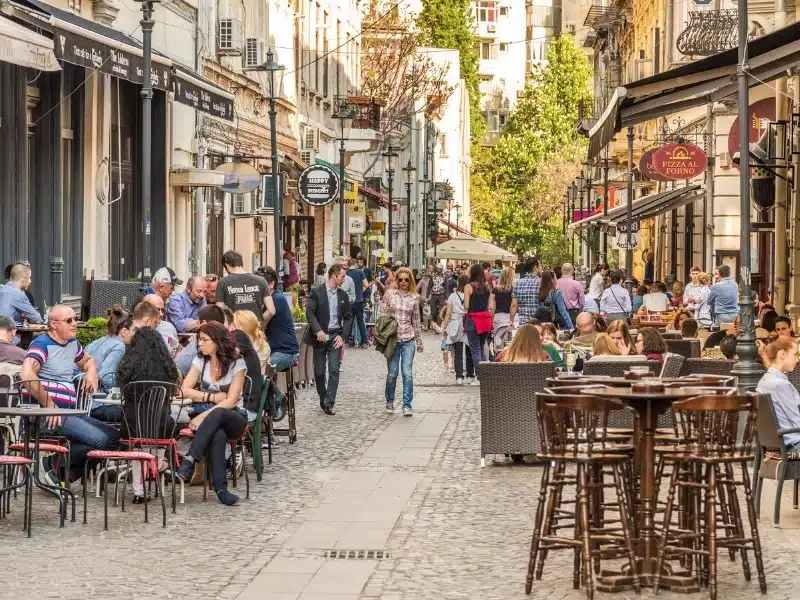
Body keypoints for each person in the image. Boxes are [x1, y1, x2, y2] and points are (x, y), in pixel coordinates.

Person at [21, 305, 119, 483]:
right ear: (54, 324)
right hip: (47, 416)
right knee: (99, 440)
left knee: (113, 438)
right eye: (69, 320)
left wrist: (91, 372)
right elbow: (27, 375)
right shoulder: (42, 344)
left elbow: (88, 361)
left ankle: (61, 471)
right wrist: (50, 405)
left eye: (75, 319)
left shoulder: (72, 344)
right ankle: (56, 466)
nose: (74, 324)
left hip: (70, 413)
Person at [173, 322, 249, 506]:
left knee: (219, 414)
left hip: (234, 417)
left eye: (204, 340)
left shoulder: (237, 362)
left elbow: (231, 400)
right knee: (217, 433)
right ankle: (221, 489)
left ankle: (191, 458)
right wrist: (210, 397)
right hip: (210, 421)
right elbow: (184, 389)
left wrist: (203, 415)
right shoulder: (201, 360)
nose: (200, 344)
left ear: (217, 341)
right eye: (200, 340)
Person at [116, 326, 181, 503]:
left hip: (131, 426)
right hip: (160, 424)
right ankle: (158, 463)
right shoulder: (167, 369)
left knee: (138, 447)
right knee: (157, 434)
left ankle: (139, 492)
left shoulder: (127, 367)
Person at [304, 264, 352, 415]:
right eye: (342, 276)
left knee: (334, 370)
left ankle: (329, 403)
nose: (344, 279)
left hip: (335, 336)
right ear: (334, 276)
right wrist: (318, 330)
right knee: (319, 372)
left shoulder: (343, 296)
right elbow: (310, 313)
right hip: (320, 337)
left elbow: (348, 317)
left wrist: (342, 336)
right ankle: (323, 397)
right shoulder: (316, 292)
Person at [381, 267, 423, 415]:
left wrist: (419, 341)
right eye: (400, 279)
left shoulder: (414, 297)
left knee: (407, 373)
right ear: (396, 280)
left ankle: (407, 405)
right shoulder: (390, 294)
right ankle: (390, 401)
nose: (403, 282)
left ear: (410, 280)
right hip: (393, 339)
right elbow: (382, 315)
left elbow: (416, 320)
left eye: (406, 279)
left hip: (408, 338)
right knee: (392, 373)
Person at [756, 337, 800, 452]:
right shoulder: (780, 384)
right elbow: (797, 421)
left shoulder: (764, 381)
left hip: (775, 444)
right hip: (794, 445)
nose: (797, 360)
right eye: (795, 354)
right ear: (782, 354)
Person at [85, 305, 134, 393]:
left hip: (82, 398)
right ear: (124, 331)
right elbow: (106, 377)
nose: (135, 334)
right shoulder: (119, 346)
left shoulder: (98, 341)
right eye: (133, 330)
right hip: (99, 400)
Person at [463, 264, 495, 385]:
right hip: (486, 319)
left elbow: (466, 306)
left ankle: (479, 377)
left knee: (475, 349)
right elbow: (491, 306)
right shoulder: (487, 287)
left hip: (473, 319)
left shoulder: (468, 287)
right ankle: (485, 376)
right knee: (481, 347)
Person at [217, 250, 269, 322]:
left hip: (234, 329)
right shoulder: (261, 281)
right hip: (256, 331)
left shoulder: (223, 282)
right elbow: (271, 310)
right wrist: (258, 323)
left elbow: (220, 309)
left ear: (227, 265)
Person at [176, 304, 227, 376]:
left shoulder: (196, 346)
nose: (197, 327)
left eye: (198, 323)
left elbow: (178, 369)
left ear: (203, 323)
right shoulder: (232, 344)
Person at [442, 274, 473, 385]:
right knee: (469, 351)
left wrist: (444, 327)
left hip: (456, 324)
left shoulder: (452, 296)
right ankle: (470, 375)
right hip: (468, 323)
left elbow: (448, 313)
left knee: (458, 352)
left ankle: (459, 376)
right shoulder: (470, 294)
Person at [234, 310, 270, 374]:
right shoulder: (238, 344)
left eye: (233, 325)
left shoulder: (262, 347)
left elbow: (248, 372)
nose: (231, 328)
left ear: (241, 328)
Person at [509, 257, 541, 327]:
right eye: (540, 266)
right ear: (535, 267)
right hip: (538, 323)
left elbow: (514, 305)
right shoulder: (541, 283)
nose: (541, 268)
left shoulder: (518, 283)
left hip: (523, 323)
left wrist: (511, 321)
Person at [345, 257, 369, 348]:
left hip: (349, 301)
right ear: (355, 264)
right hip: (358, 300)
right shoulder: (360, 272)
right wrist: (360, 290)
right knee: (360, 321)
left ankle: (347, 340)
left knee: (349, 321)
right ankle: (364, 342)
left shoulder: (346, 273)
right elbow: (366, 284)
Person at [491, 267, 515, 350]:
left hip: (497, 318)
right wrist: (511, 320)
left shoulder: (495, 290)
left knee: (498, 343)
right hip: (510, 317)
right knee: (510, 344)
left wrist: (491, 319)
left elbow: (492, 307)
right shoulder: (514, 290)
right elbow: (513, 305)